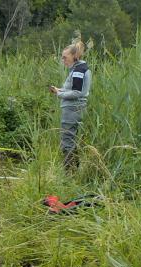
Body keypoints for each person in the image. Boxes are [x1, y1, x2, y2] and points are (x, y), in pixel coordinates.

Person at [49, 39, 92, 170]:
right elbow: (74, 90)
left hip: (72, 110)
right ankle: (74, 169)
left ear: (75, 56)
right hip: (75, 109)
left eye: (65, 57)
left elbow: (77, 92)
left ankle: (69, 172)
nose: (63, 60)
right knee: (71, 140)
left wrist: (59, 94)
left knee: (67, 141)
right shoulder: (79, 68)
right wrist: (59, 90)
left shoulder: (79, 70)